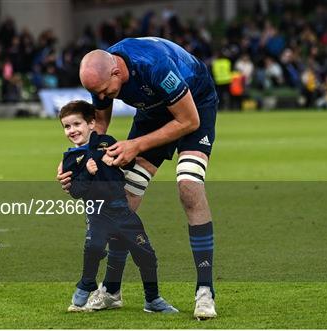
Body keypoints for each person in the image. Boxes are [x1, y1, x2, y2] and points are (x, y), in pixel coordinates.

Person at [57, 37, 218, 320]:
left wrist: (136, 145)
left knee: (188, 187)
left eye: (106, 91)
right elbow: (101, 125)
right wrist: (76, 159)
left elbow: (187, 122)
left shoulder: (155, 67)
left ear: (117, 73)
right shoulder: (101, 76)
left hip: (194, 107)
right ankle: (111, 290)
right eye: (98, 94)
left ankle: (205, 290)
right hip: (152, 112)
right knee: (124, 198)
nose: (103, 97)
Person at [60, 100, 178, 314]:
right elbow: (76, 192)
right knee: (94, 248)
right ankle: (86, 284)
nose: (72, 130)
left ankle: (152, 299)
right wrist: (88, 172)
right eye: (67, 127)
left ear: (91, 124)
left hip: (122, 211)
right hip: (97, 213)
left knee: (147, 255)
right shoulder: (70, 159)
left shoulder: (107, 142)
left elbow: (129, 163)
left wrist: (118, 159)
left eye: (76, 124)